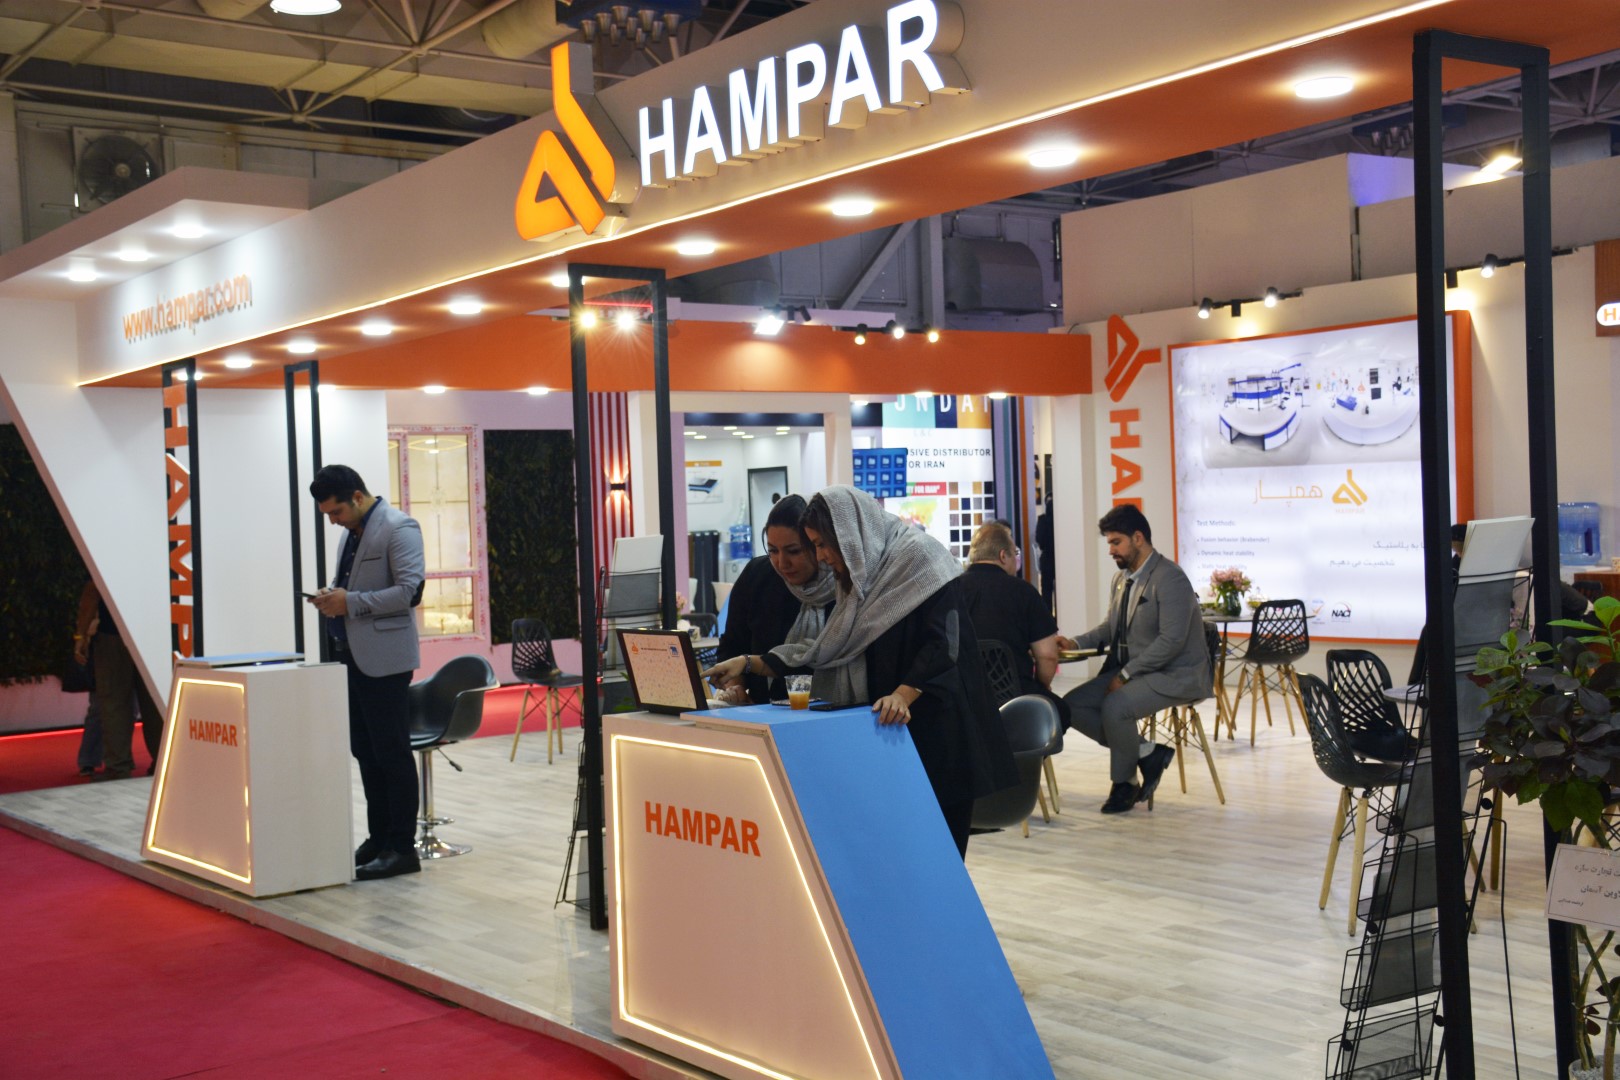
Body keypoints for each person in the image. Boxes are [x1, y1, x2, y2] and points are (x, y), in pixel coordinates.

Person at [706, 486, 1016, 858]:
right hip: (892, 739)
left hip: (941, 736)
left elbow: (945, 643)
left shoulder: (922, 558)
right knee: (901, 860)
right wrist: (751, 663)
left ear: (850, 533)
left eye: (821, 545)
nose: (821, 556)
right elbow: (830, 646)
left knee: (940, 859)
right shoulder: (859, 574)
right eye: (814, 546)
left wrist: (903, 694)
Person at [307, 464, 425, 882]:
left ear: (357, 497)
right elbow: (354, 586)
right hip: (350, 656)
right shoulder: (350, 532)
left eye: (336, 512)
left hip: (385, 661)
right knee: (365, 752)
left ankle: (402, 848)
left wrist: (350, 602)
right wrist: (332, 597)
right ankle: (379, 840)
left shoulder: (399, 527)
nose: (332, 521)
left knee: (391, 753)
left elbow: (409, 592)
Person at [1059, 505, 1210, 814]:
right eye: (1109, 543)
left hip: (1176, 674)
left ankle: (1124, 784)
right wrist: (1074, 643)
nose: (1111, 550)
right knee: (1070, 706)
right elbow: (1109, 628)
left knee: (1116, 707)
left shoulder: (1170, 578)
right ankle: (1146, 753)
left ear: (1138, 538)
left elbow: (1172, 641)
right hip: (1136, 671)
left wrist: (1125, 674)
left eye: (1116, 542)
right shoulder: (1121, 579)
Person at [713, 495, 835, 704]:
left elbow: (818, 656)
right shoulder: (757, 576)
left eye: (793, 551)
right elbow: (732, 645)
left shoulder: (841, 584)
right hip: (762, 709)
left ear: (816, 544)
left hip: (829, 709)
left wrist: (749, 662)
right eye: (772, 551)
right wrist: (736, 687)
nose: (782, 562)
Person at [957, 521, 1066, 724]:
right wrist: (1042, 687)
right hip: (1016, 699)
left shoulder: (952, 590)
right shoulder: (1024, 592)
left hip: (962, 701)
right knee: (1062, 711)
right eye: (1015, 553)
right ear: (1003, 556)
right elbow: (1048, 656)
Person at [75, 579, 161, 781]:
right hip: (154, 636)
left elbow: (92, 590)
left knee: (114, 705)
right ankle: (162, 762)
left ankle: (118, 767)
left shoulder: (110, 561)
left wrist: (80, 636)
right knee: (155, 705)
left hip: (113, 635)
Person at [1035, 494, 1056, 610]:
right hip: (1058, 559)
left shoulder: (1042, 520)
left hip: (1047, 559)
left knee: (1046, 592)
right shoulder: (1060, 520)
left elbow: (1039, 540)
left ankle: (1047, 616)